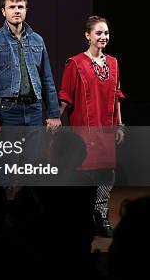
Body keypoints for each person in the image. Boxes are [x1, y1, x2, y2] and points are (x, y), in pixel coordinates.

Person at [58, 15, 125, 237]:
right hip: (83, 128)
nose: (103, 37)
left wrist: (120, 124)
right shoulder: (75, 63)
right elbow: (65, 97)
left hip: (106, 127)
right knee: (86, 173)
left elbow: (116, 96)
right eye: (98, 33)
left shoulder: (113, 63)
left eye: (106, 33)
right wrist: (55, 120)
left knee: (107, 173)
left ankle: (101, 214)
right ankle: (85, 217)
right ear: (87, 36)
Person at [0, 0, 61, 169]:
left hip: (34, 109)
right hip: (8, 110)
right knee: (7, 167)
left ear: (26, 10)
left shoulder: (37, 40)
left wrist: (53, 113)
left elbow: (47, 78)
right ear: (3, 11)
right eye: (12, 7)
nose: (17, 10)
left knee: (32, 167)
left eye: (20, 7)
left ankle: (27, 198)